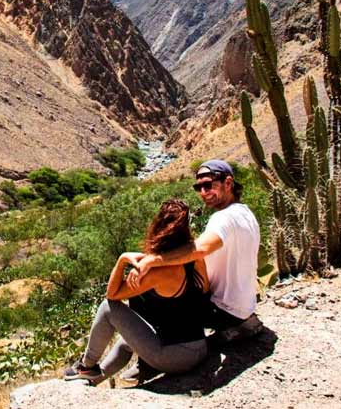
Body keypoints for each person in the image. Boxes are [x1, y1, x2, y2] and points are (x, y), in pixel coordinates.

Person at [63, 199, 211, 386]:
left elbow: (111, 296)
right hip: (198, 346)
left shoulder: (158, 273)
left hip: (177, 356)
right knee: (126, 342)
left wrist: (122, 260)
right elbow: (205, 290)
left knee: (108, 308)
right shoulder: (195, 259)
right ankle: (93, 380)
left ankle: (86, 365)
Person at [127, 160, 263, 346]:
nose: (203, 192)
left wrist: (152, 260)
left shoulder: (222, 217)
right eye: (198, 187)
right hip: (244, 306)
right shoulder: (245, 212)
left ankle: (160, 351)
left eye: (208, 185)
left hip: (223, 310)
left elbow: (201, 249)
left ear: (228, 183)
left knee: (142, 291)